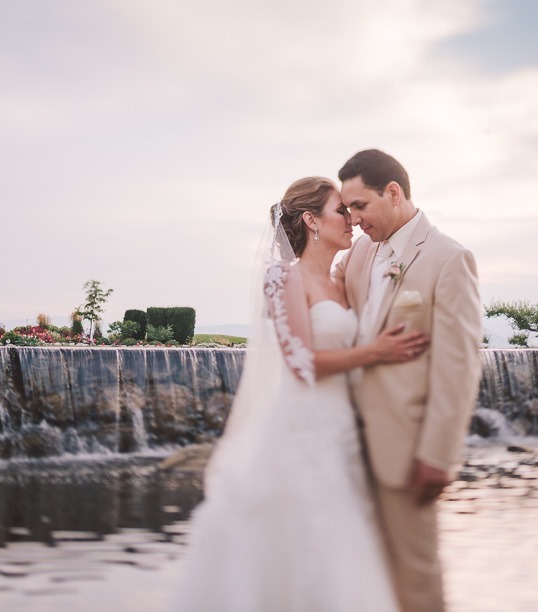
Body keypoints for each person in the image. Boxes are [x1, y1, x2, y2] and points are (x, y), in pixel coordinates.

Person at [168, 177, 429, 612]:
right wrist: (377, 352)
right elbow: (301, 361)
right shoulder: (283, 277)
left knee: (343, 543)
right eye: (340, 211)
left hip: (341, 428)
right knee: (299, 541)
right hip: (301, 426)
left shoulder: (341, 283)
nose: (351, 220)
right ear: (311, 220)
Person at [335, 149, 483, 612]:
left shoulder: (448, 258)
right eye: (347, 209)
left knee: (417, 579)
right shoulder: (360, 252)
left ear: (393, 193)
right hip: (344, 446)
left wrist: (438, 454)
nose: (354, 219)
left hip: (406, 448)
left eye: (360, 206)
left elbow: (458, 367)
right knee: (365, 579)